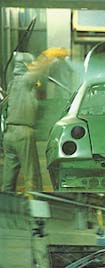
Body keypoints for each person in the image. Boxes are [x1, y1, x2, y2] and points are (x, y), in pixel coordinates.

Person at [2, 48, 69, 192]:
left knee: (8, 179)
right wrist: (50, 55)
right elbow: (38, 70)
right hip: (22, 133)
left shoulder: (13, 84)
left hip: (9, 135)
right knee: (32, 177)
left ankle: (5, 209)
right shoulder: (25, 80)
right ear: (27, 66)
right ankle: (36, 210)